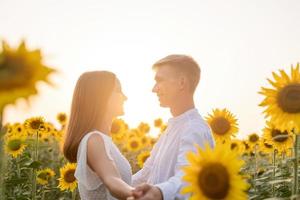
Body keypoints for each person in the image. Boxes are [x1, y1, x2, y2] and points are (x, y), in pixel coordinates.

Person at [132, 55, 215, 200]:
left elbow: (187, 179)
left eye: (159, 80)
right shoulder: (173, 127)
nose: (153, 89)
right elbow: (147, 172)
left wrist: (159, 192)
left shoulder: (194, 128)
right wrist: (110, 185)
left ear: (182, 83)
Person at [63, 71, 134, 200]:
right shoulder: (94, 139)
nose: (125, 97)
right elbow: (112, 179)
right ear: (100, 96)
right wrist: (140, 195)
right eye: (118, 90)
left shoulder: (102, 140)